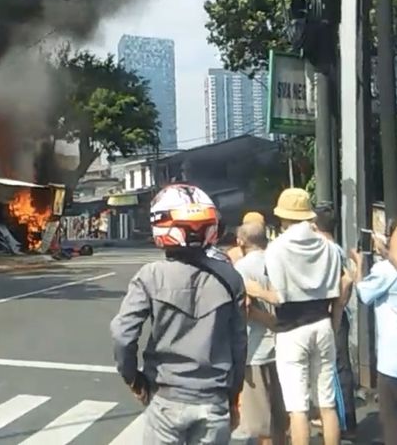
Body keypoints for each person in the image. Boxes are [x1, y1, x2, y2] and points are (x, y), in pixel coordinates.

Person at [110, 184, 247, 444]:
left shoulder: (151, 275)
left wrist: (133, 379)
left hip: (166, 400)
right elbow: (239, 345)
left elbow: (122, 335)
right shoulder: (231, 277)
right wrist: (233, 397)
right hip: (214, 401)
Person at [245, 188, 343, 445]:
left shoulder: (277, 248)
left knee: (297, 408)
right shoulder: (329, 247)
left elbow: (278, 296)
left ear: (284, 217)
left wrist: (255, 291)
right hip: (322, 323)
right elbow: (340, 289)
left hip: (291, 329)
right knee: (327, 404)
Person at [350, 221, 397, 445]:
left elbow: (363, 294)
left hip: (394, 360)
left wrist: (359, 264)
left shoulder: (385, 270)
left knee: (394, 422)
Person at [234, 222, 287, 445]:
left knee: (261, 425)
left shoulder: (240, 268)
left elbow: (243, 308)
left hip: (255, 349)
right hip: (284, 346)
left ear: (241, 242)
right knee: (281, 418)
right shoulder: (278, 261)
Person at [312, 203, 357, 438]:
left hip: (333, 314)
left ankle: (345, 421)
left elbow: (346, 282)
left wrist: (336, 309)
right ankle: (340, 418)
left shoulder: (325, 249)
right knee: (338, 366)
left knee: (337, 367)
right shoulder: (336, 248)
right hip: (338, 313)